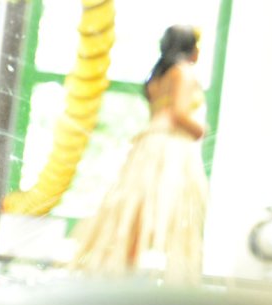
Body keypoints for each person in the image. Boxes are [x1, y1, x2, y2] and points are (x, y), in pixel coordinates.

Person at [75, 24, 211, 284]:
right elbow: (179, 113)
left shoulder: (157, 77)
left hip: (148, 146)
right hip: (171, 149)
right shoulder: (183, 72)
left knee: (133, 215)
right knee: (172, 218)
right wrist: (200, 129)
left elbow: (160, 113)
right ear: (190, 47)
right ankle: (164, 283)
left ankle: (123, 274)